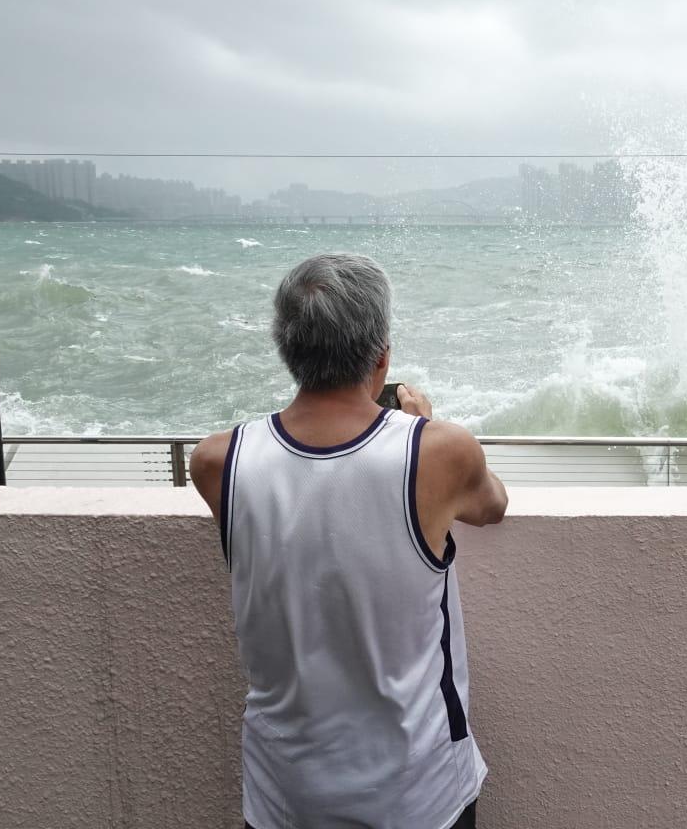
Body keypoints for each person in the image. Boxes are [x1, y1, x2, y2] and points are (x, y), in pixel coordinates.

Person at [190, 253, 508, 829]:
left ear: (286, 348)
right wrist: (423, 424)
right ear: (382, 356)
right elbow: (492, 506)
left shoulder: (217, 462)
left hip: (284, 793)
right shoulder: (438, 451)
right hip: (419, 792)